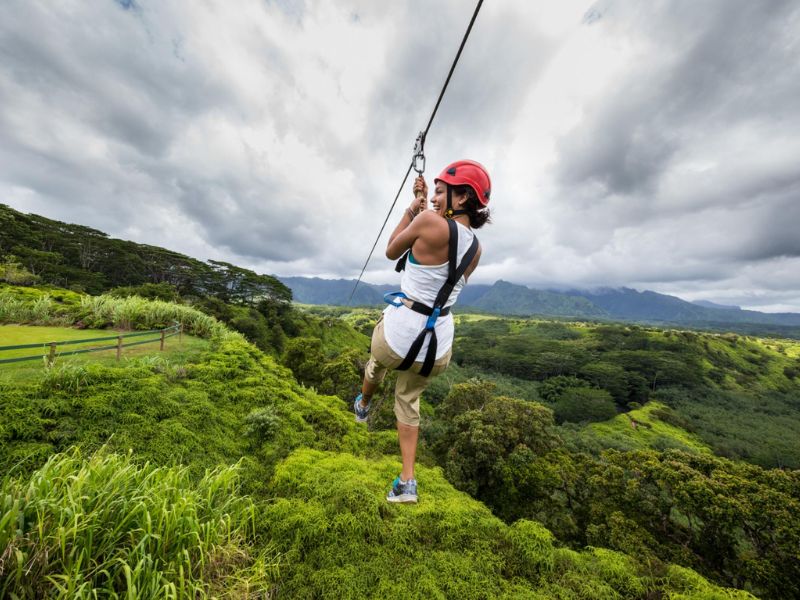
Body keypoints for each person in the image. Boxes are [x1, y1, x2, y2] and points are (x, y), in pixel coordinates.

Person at [353, 159, 492, 503]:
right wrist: (425, 202)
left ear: (462, 199)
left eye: (441, 193)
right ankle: (407, 482)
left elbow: (391, 250)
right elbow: (444, 250)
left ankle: (363, 404)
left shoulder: (428, 220)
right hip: (437, 348)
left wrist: (410, 210)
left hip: (399, 337)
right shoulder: (475, 249)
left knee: (376, 363)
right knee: (408, 399)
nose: (434, 199)